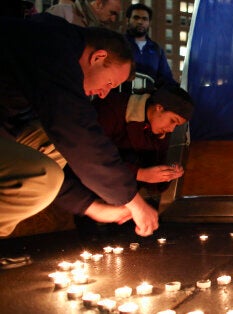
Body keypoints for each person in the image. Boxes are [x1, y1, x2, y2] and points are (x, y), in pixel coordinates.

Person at [0, 13, 158, 237]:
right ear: (98, 57)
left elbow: (64, 139)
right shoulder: (51, 47)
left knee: (49, 142)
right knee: (44, 176)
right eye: (109, 83)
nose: (104, 94)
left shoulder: (54, 49)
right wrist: (133, 201)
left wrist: (91, 207)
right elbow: (78, 134)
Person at [93, 85, 193, 190]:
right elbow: (93, 157)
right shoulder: (112, 108)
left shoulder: (161, 132)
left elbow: (153, 181)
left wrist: (167, 174)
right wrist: (140, 174)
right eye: (172, 121)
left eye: (176, 125)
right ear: (159, 107)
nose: (171, 129)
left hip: (124, 192)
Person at [124, 3, 177, 86]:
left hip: (148, 97)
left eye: (145, 19)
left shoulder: (157, 50)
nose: (140, 22)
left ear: (149, 23)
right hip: (121, 95)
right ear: (127, 20)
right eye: (136, 18)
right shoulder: (118, 43)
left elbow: (167, 78)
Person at [47, 0, 121, 29]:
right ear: (99, 4)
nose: (113, 19)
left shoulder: (101, 28)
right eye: (112, 13)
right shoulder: (62, 12)